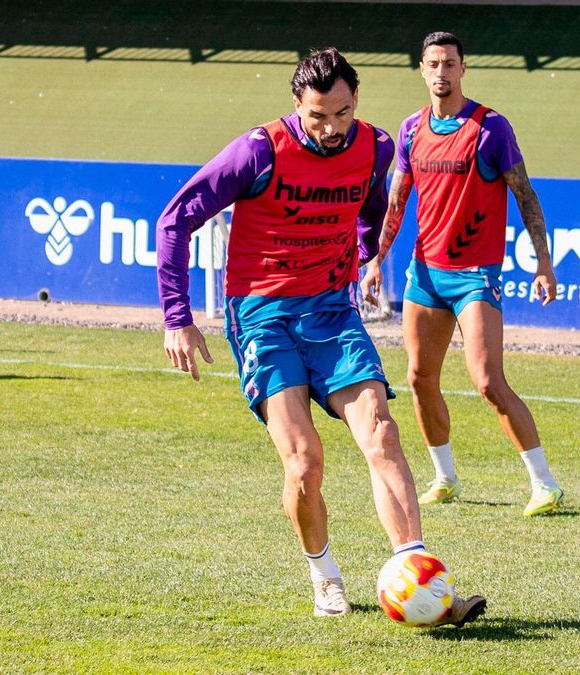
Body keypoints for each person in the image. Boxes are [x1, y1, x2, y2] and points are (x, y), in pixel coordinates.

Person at [157, 48, 485, 625]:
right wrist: (178, 316)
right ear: (296, 106)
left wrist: (365, 253)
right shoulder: (259, 150)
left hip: (333, 313)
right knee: (305, 462)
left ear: (355, 100)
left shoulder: (377, 146)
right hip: (263, 317)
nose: (331, 129)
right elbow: (175, 219)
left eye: (340, 113)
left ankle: (422, 580)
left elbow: (371, 205)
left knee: (381, 432)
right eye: (317, 117)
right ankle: (324, 575)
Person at [360, 32, 564, 517]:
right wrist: (376, 260)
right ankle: (445, 477)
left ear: (463, 68)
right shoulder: (411, 130)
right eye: (433, 63)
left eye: (449, 62)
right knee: (418, 378)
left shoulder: (490, 128)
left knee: (488, 379)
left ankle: (545, 484)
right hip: (425, 274)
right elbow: (396, 202)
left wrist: (543, 261)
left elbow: (525, 195)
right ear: (422, 69)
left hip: (475, 275)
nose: (441, 71)